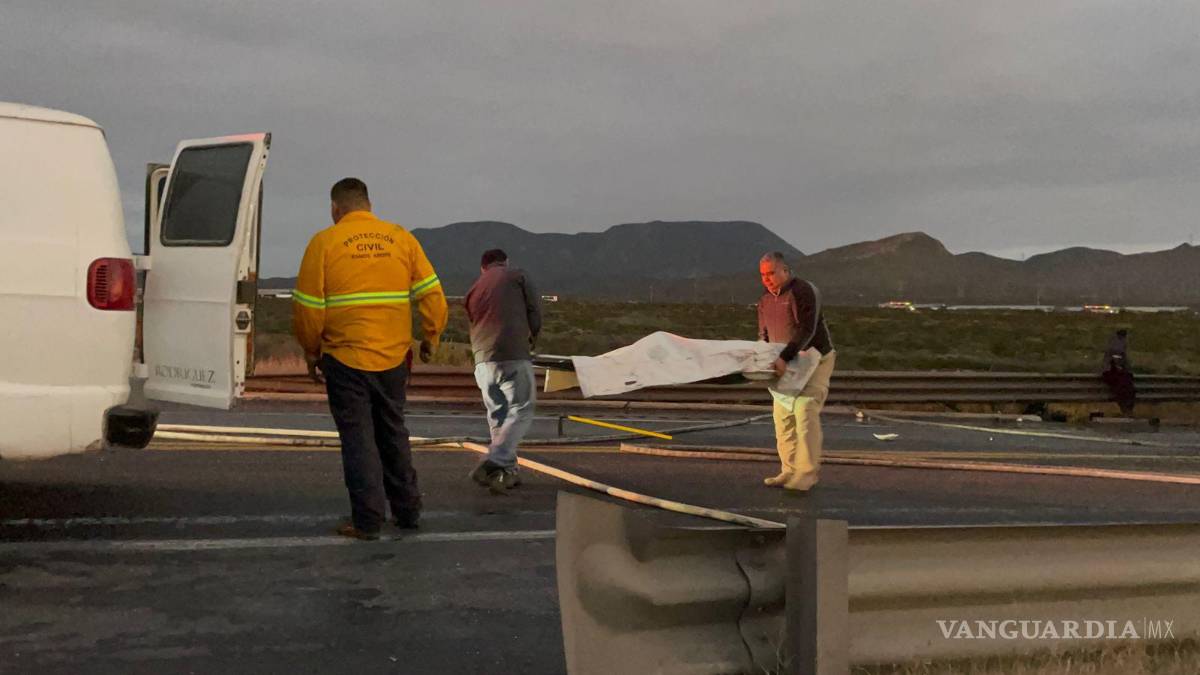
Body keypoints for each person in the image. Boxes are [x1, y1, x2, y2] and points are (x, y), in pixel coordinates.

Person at [292, 178, 448, 540]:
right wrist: (431, 336)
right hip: (394, 357)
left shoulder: (324, 243)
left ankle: (367, 520)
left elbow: (309, 308)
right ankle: (408, 511)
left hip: (345, 358)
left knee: (358, 438)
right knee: (393, 431)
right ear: (368, 204)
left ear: (335, 209)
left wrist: (311, 350)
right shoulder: (401, 238)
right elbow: (432, 293)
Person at [463, 248, 542, 494]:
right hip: (512, 355)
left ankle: (505, 473)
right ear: (505, 262)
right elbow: (534, 310)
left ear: (482, 268)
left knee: (498, 416)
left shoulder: (473, 290)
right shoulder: (517, 275)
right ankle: (495, 460)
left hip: (482, 362)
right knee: (521, 409)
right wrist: (533, 337)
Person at [757, 251, 836, 491]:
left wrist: (784, 357)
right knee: (782, 417)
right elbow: (764, 335)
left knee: (804, 410)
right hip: (786, 363)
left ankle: (806, 474)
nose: (767, 278)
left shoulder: (803, 291)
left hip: (814, 359)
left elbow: (807, 329)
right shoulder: (765, 301)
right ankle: (788, 470)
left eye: (771, 273)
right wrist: (764, 359)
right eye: (763, 274)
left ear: (785, 271)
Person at [1101, 328, 1136, 415]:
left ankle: (1126, 409)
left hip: (1113, 373)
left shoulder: (1115, 343)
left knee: (1124, 388)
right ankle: (1126, 409)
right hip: (1113, 373)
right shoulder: (1118, 344)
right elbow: (1117, 360)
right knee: (1123, 388)